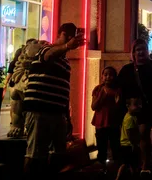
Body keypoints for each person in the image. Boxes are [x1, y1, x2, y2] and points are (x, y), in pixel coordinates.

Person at [23, 23, 84, 176]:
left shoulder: (65, 62)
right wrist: (67, 46)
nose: (71, 42)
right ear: (61, 34)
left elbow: (65, 90)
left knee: (58, 154)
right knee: (35, 155)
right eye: (68, 37)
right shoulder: (45, 49)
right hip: (39, 110)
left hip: (57, 114)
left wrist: (67, 118)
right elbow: (48, 56)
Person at [117, 39, 152, 177]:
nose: (141, 52)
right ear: (133, 53)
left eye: (143, 49)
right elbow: (119, 89)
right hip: (129, 108)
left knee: (143, 133)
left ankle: (145, 165)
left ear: (148, 51)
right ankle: (134, 162)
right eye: (137, 50)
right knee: (131, 137)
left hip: (148, 106)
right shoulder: (126, 70)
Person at [91, 66, 122, 168]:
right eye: (105, 75)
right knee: (101, 146)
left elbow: (119, 106)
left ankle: (117, 167)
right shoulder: (98, 89)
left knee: (115, 145)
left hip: (114, 122)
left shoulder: (118, 90)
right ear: (102, 76)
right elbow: (93, 106)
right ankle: (102, 167)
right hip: (100, 122)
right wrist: (101, 95)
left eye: (111, 75)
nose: (108, 77)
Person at [116, 97, 142, 180]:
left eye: (139, 104)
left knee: (130, 162)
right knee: (127, 162)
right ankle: (118, 177)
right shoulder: (130, 118)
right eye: (135, 105)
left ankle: (133, 175)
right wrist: (134, 144)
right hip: (128, 144)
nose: (139, 106)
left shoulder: (129, 116)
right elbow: (129, 133)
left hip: (127, 144)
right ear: (128, 106)